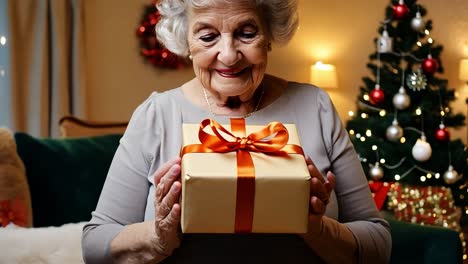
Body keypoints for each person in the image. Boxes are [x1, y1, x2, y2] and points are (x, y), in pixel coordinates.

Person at [82, 0, 392, 263]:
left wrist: (316, 228)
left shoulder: (316, 107)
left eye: (246, 33)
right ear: (185, 41)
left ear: (269, 34)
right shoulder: (156, 115)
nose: (229, 55)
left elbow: (379, 241)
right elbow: (95, 244)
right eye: (207, 37)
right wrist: (160, 234)